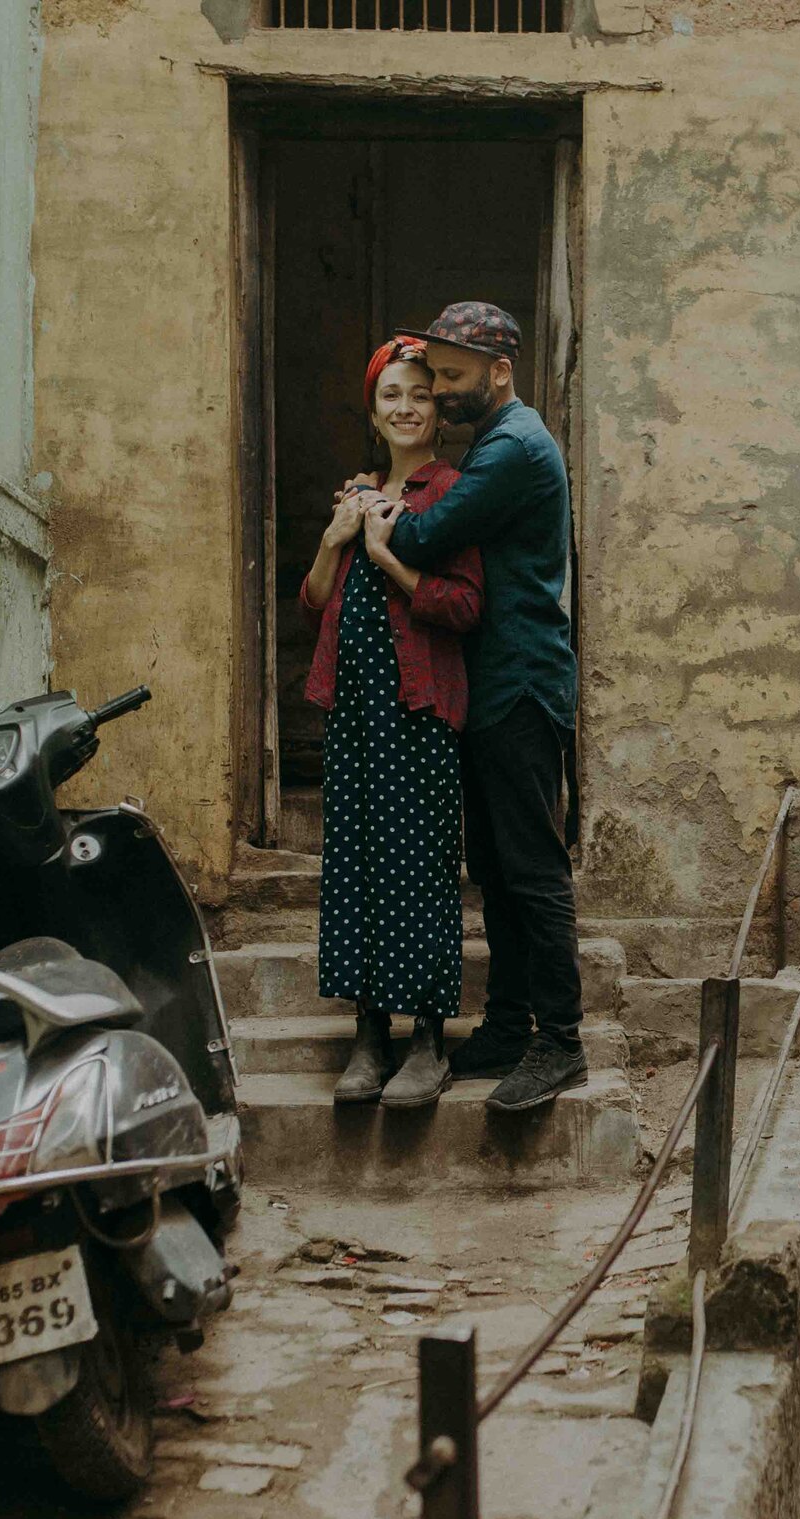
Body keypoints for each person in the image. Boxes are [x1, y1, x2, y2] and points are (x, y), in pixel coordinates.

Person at [353, 301, 585, 1114]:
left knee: (532, 871)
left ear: (500, 371)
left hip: (521, 684)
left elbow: (423, 536)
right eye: (435, 377)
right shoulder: (494, 440)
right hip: (492, 690)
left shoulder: (515, 447)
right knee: (494, 868)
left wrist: (378, 520)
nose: (441, 392)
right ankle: (508, 1024)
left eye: (452, 378)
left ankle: (560, 1041)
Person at [299, 336, 484, 1114]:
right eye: (391, 397)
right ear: (374, 415)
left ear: (438, 415)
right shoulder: (357, 494)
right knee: (356, 867)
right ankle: (368, 1037)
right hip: (355, 712)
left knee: (423, 868)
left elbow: (467, 606)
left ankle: (427, 1041)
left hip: (420, 712)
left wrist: (388, 558)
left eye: (419, 395)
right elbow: (313, 600)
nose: (405, 407)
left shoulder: (453, 495)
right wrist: (336, 539)